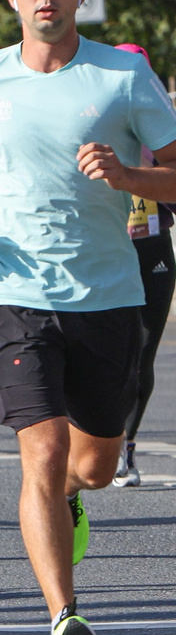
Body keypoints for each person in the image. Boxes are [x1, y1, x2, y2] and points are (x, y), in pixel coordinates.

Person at [0, 0, 176, 635]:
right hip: (13, 291)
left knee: (94, 466)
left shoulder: (125, 75)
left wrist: (126, 171)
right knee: (39, 448)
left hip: (107, 295)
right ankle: (62, 618)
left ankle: (74, 498)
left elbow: (173, 177)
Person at [110, 43, 176, 487]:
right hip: (106, 251)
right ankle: (98, 437)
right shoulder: (96, 124)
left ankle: (125, 449)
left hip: (152, 249)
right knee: (107, 353)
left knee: (142, 356)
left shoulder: (163, 133)